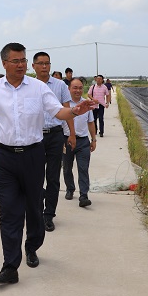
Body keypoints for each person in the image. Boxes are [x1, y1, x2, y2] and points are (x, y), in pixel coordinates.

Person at [0, 43, 97, 285]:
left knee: (34, 207)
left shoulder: (38, 88)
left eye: (23, 60)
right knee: (9, 212)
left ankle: (32, 246)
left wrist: (76, 111)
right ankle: (10, 266)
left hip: (33, 155)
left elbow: (59, 112)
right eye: (16, 61)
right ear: (4, 63)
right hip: (5, 157)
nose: (21, 65)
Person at [31, 52, 75, 232]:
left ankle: (49, 215)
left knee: (53, 177)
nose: (44, 66)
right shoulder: (28, 85)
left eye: (47, 63)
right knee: (35, 177)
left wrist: (72, 134)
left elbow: (67, 110)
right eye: (40, 63)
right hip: (35, 136)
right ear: (33, 66)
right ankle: (37, 210)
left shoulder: (60, 85)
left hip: (55, 135)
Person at [62, 77, 97, 207]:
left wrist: (93, 139)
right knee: (67, 168)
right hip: (67, 140)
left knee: (83, 168)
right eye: (75, 88)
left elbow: (91, 122)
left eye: (80, 88)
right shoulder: (64, 105)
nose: (78, 90)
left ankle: (83, 195)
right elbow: (59, 123)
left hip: (83, 141)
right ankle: (70, 189)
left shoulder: (87, 104)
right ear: (69, 89)